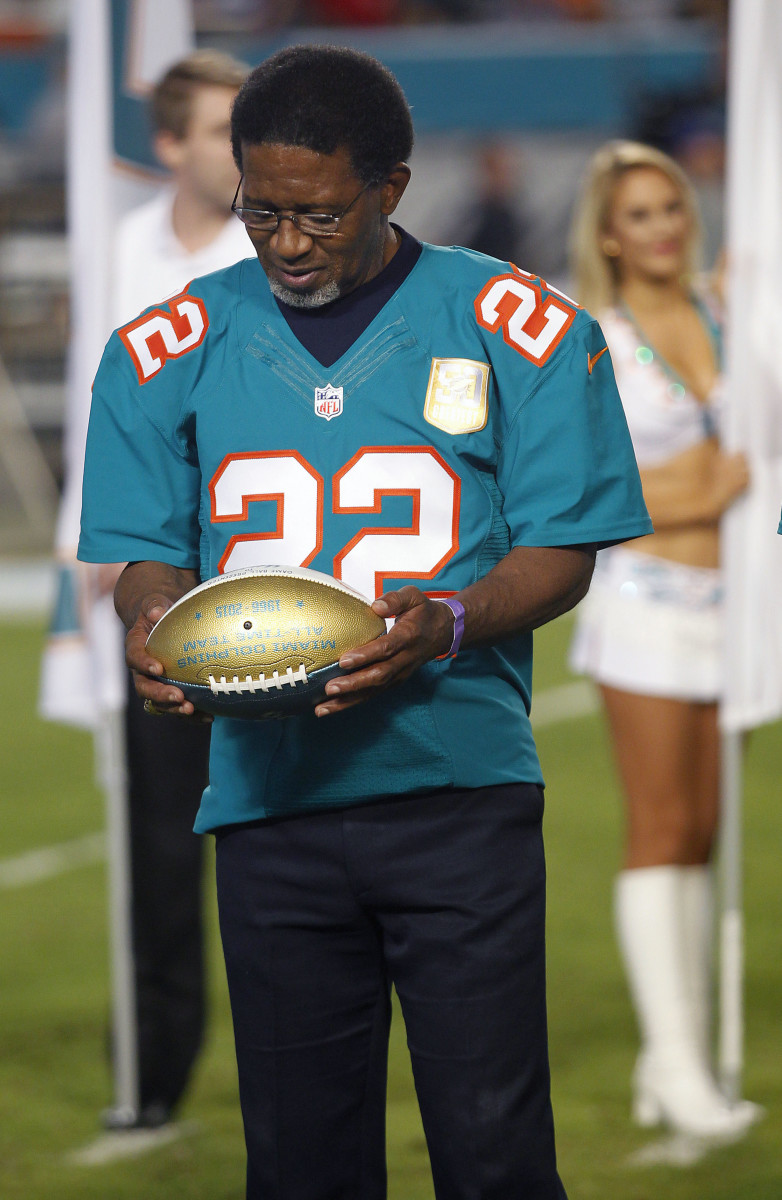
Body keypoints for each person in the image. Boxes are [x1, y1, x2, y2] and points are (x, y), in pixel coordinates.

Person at [78, 46, 650, 1197]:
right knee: (298, 1160)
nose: (287, 244)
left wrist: (445, 618)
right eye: (263, 212)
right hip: (267, 798)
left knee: (490, 1149)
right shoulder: (166, 345)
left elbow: (562, 549)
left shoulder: (514, 322)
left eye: (320, 215)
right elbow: (144, 548)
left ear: (390, 186)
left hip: (456, 787)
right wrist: (152, 623)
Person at [568, 140, 761, 1138]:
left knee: (701, 830)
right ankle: (680, 1064)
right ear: (607, 232)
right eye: (638, 215)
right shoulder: (593, 337)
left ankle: (665, 1060)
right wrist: (694, 496)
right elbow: (593, 495)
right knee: (656, 828)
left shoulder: (727, 311)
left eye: (671, 209)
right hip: (642, 604)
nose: (660, 228)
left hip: (733, 614)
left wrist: (700, 493)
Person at [103, 48, 255, 1130]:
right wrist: (92, 597)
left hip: (262, 568)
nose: (238, 147)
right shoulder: (124, 251)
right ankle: (152, 1075)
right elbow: (100, 404)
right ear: (168, 145)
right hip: (156, 575)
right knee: (158, 850)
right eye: (216, 129)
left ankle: (293, 1056)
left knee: (271, 834)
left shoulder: (282, 239)